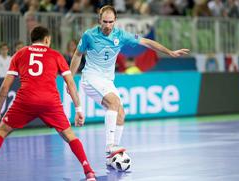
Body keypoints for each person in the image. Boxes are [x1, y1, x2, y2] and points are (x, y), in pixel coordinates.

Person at [69, 5, 189, 165]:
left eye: (111, 22)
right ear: (99, 20)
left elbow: (146, 42)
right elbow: (77, 55)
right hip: (90, 77)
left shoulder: (121, 35)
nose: (107, 25)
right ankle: (110, 146)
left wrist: (170, 52)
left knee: (121, 114)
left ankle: (112, 156)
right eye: (104, 21)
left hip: (106, 80)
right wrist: (69, 79)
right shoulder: (89, 35)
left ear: (115, 21)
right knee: (114, 102)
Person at [0, 26, 96, 181]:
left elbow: (5, 87)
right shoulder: (56, 55)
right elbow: (71, 84)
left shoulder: (20, 54)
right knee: (69, 136)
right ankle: (88, 171)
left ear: (32, 39)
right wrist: (79, 109)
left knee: (1, 132)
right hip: (50, 102)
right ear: (47, 40)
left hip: (25, 100)